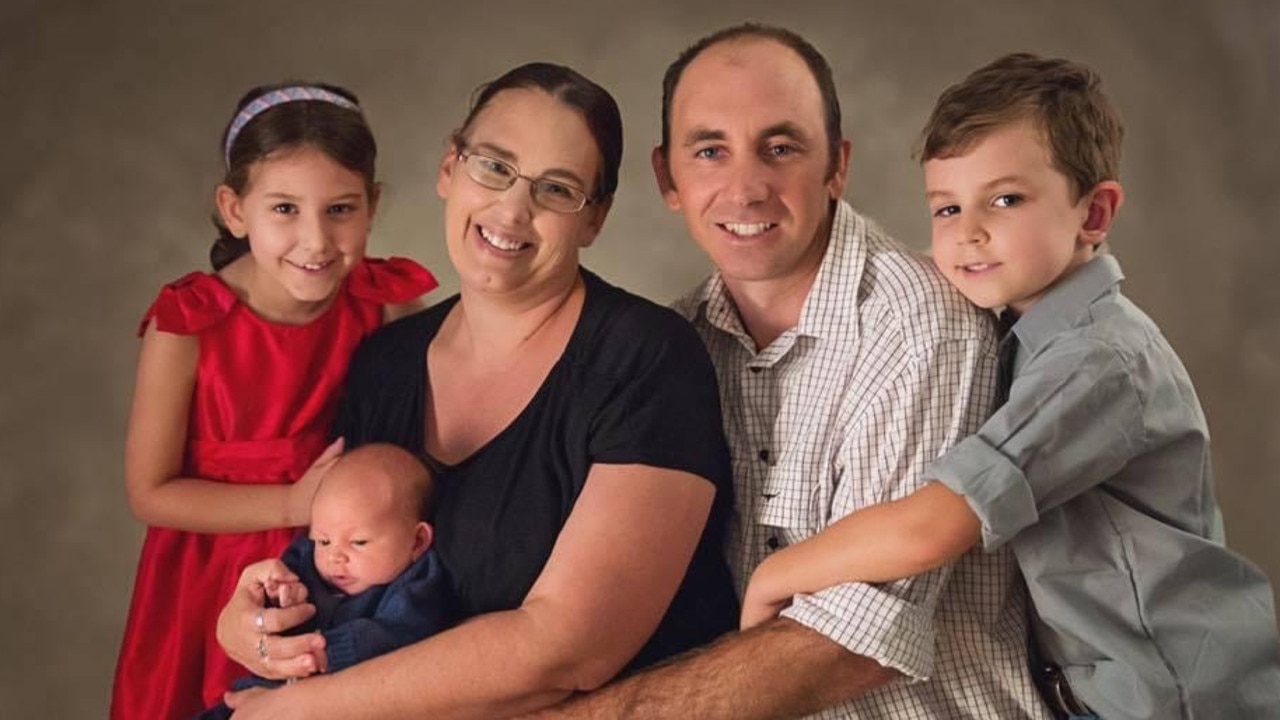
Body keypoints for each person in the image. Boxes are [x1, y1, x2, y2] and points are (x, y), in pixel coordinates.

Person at [528, 23, 1056, 719]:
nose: (744, 188)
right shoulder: (673, 346)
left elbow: (855, 643)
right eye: (710, 151)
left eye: (780, 148)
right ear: (668, 179)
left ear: (837, 165)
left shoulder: (921, 321)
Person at [739, 52, 1280, 719]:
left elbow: (935, 524)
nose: (968, 232)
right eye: (945, 208)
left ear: (1094, 214)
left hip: (1174, 701)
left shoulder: (1098, 359)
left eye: (1005, 199)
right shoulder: (1022, 336)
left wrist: (777, 575)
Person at [213, 62, 739, 719]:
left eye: (557, 189)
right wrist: (258, 619)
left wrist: (304, 708)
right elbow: (339, 574)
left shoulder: (646, 359)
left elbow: (570, 650)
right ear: (448, 168)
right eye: (493, 166)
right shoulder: (383, 364)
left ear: (594, 219)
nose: (512, 210)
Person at [110, 82, 438, 720]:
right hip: (206, 576)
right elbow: (149, 491)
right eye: (284, 209)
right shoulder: (189, 324)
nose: (316, 241)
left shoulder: (389, 303)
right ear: (235, 209)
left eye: (340, 209)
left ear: (371, 205)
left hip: (349, 563)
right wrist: (291, 503)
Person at [196, 443, 454, 719]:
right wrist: (280, 597)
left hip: (345, 703)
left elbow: (396, 635)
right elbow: (271, 622)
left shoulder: (415, 585)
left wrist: (325, 652)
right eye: (324, 540)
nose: (335, 557)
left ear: (417, 541)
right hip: (262, 691)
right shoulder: (307, 559)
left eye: (358, 542)